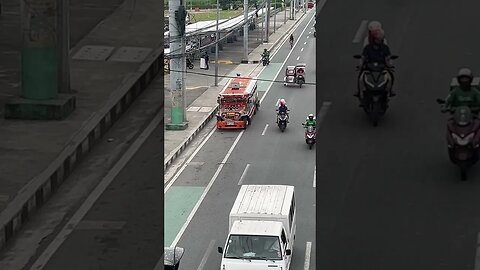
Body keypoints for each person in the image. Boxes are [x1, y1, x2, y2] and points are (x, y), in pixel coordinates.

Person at [355, 29, 395, 98]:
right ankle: (360, 92)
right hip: (369, 67)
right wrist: (360, 65)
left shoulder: (385, 48)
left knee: (391, 77)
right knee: (361, 78)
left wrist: (390, 65)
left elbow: (388, 58)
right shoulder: (368, 48)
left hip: (381, 67)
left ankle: (389, 91)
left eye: (381, 39)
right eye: (378, 39)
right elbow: (363, 57)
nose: (380, 41)